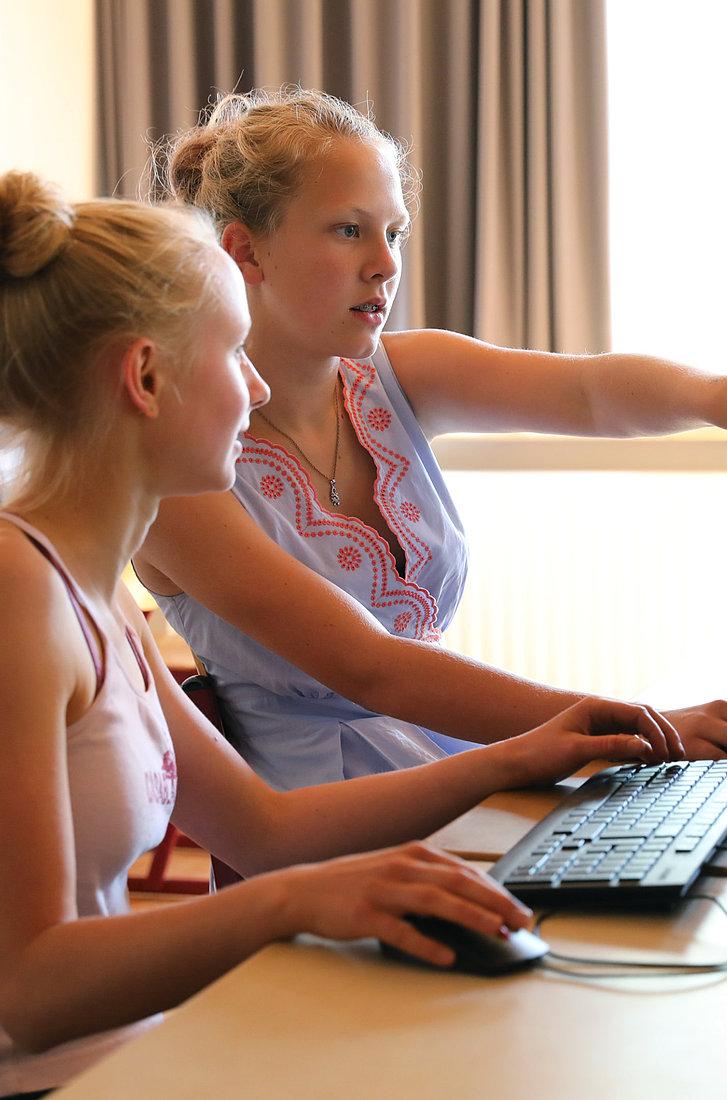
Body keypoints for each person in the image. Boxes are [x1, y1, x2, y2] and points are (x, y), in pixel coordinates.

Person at [0, 169, 681, 1097]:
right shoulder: (19, 594)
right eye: (234, 353)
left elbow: (263, 829)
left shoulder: (91, 591)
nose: (255, 387)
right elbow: (30, 991)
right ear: (146, 378)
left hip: (130, 1060)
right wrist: (290, 904)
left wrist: (518, 757)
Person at [134, 85, 727, 798]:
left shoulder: (394, 374)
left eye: (394, 233)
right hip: (328, 818)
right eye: (349, 230)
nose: (385, 263)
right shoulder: (174, 467)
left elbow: (587, 390)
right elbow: (370, 667)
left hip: (453, 767)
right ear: (245, 251)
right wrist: (640, 725)